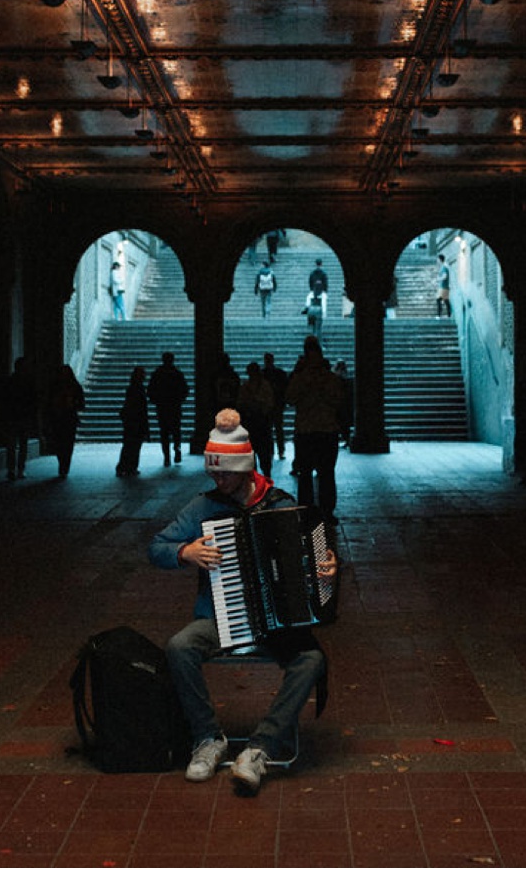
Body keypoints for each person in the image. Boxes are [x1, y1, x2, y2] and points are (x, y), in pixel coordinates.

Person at [147, 409, 337, 796]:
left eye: (226, 473)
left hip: (277, 623)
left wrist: (328, 570)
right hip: (220, 618)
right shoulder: (203, 508)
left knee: (312, 660)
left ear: (247, 467)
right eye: (213, 473)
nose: (218, 480)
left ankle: (259, 749)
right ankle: (207, 739)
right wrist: (185, 552)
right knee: (180, 646)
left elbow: (319, 561)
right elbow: (155, 547)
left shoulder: (282, 505)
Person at [285, 336, 346, 526]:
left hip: (306, 431)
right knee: (326, 474)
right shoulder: (330, 378)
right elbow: (339, 401)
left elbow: (289, 398)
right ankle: (326, 511)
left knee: (306, 475)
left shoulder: (300, 378)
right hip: (326, 430)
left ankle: (307, 511)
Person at [148, 351, 189, 467]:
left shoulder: (157, 374)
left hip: (162, 407)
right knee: (176, 431)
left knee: (164, 433)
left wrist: (157, 401)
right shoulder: (177, 374)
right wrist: (179, 400)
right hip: (175, 407)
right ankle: (177, 449)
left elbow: (151, 390)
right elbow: (185, 389)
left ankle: (166, 456)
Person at [0, 356, 38, 481]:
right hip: (22, 417)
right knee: (22, 445)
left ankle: (12, 469)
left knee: (12, 445)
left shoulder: (10, 381)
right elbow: (33, 401)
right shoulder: (29, 382)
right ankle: (20, 469)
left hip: (13, 417)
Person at [237, 361, 276, 479]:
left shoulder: (246, 387)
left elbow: (240, 403)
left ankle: (258, 476)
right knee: (262, 453)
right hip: (260, 423)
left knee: (256, 453)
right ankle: (264, 476)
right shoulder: (264, 386)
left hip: (254, 422)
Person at [45, 364, 85, 477]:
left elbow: (82, 404)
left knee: (67, 443)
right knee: (59, 443)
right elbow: (48, 403)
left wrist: (72, 404)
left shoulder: (75, 387)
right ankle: (63, 464)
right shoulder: (55, 387)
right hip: (58, 418)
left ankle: (64, 466)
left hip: (69, 418)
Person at [117, 366, 149, 476]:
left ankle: (125, 466)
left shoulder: (133, 388)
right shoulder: (138, 389)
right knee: (134, 446)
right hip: (136, 421)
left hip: (131, 421)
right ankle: (129, 467)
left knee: (129, 445)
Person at [261, 353, 290, 462]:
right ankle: (280, 450)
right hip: (277, 404)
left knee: (269, 429)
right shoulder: (280, 374)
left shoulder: (262, 374)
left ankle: (271, 450)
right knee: (278, 429)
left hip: (268, 405)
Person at [333, 359, 355, 449]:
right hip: (345, 405)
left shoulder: (335, 379)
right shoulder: (347, 380)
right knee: (344, 425)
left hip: (339, 405)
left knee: (340, 424)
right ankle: (347, 440)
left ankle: (342, 440)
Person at [434, 253, 451, 318]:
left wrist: (438, 279)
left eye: (437, 259)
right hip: (444, 287)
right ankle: (449, 314)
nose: (437, 261)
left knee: (438, 300)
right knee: (446, 301)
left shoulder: (444, 267)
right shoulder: (443, 267)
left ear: (440, 260)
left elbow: (445, 276)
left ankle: (438, 315)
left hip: (443, 287)